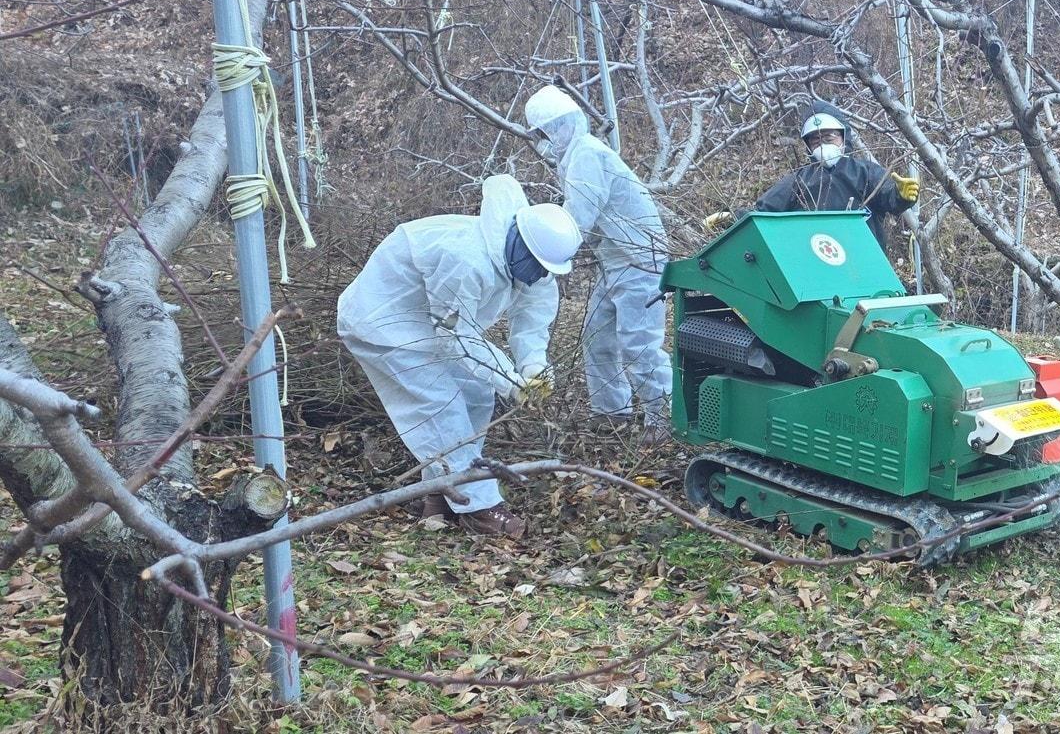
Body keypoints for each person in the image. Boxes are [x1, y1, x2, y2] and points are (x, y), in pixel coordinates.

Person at [337, 175, 582, 539]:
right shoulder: (465, 259)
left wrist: (534, 368)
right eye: (538, 265)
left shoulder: (536, 266)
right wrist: (512, 382)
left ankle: (440, 493)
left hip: (430, 328)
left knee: (477, 393)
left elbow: (532, 320)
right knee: (441, 405)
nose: (541, 275)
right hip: (382, 324)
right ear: (520, 245)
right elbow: (457, 335)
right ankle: (479, 507)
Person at [523, 85, 672, 446]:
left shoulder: (587, 155)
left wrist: (545, 253)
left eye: (547, 132)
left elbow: (579, 218)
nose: (546, 140)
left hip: (638, 258)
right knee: (597, 333)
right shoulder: (577, 156)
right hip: (614, 258)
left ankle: (664, 418)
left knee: (638, 342)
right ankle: (611, 412)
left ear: (562, 125)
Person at [703, 105, 920, 250]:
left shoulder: (865, 172)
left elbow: (888, 196)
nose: (822, 144)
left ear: (843, 137)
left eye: (829, 137)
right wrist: (732, 218)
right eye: (815, 140)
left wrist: (901, 195)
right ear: (807, 145)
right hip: (815, 264)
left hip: (866, 261)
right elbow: (765, 213)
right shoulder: (798, 180)